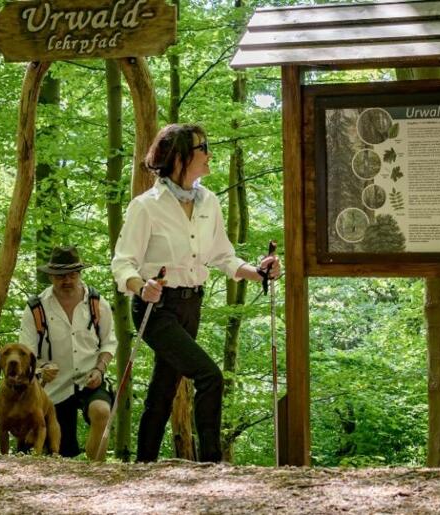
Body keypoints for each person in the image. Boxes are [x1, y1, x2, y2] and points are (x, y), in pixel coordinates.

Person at [111, 123, 281, 463]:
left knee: (164, 387)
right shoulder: (146, 206)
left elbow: (223, 256)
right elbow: (122, 262)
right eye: (202, 148)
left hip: (191, 305)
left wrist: (258, 272)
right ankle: (211, 463)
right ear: (179, 158)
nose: (209, 154)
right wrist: (141, 286)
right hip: (156, 307)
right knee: (209, 376)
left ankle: (143, 463)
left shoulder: (209, 202)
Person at [19, 246, 117, 461]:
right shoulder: (36, 308)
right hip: (53, 387)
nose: (67, 280)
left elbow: (109, 343)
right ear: (51, 276)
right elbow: (26, 353)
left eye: (72, 274)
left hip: (90, 377)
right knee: (63, 451)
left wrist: (100, 370)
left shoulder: (97, 303)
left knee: (102, 412)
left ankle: (96, 470)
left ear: (79, 273)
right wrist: (42, 368)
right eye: (61, 276)